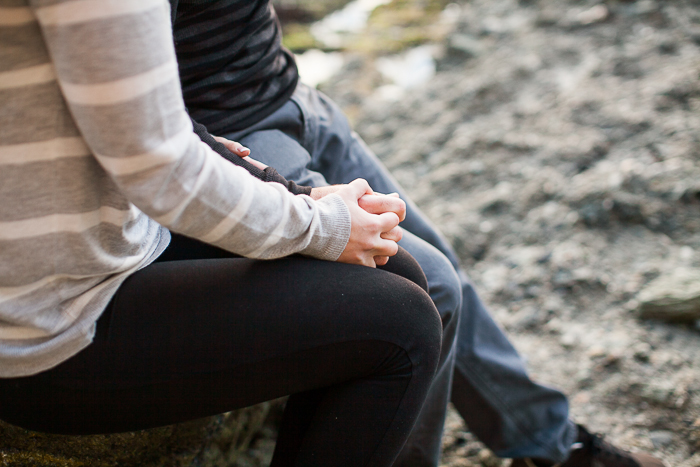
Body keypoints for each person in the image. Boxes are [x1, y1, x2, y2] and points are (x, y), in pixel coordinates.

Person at [167, 1, 666, 466]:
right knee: (430, 286)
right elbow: (139, 127)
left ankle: (556, 442)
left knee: (446, 266)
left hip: (292, 94)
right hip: (236, 144)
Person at [0, 1, 446, 466]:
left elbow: (140, 118)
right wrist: (320, 227)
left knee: (392, 265)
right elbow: (160, 168)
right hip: (42, 317)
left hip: (101, 243)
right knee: (403, 327)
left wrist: (295, 196)